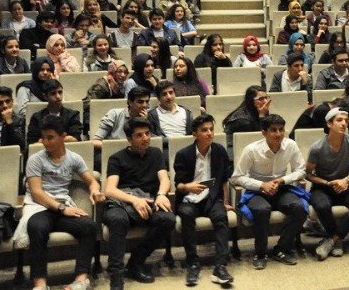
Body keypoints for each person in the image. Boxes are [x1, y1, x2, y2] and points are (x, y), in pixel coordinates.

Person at [21, 115, 103, 290]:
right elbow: (36, 193)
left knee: (89, 226)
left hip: (62, 207)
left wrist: (95, 189)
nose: (45, 142)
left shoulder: (73, 158)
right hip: (41, 208)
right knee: (36, 227)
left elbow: (92, 180)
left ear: (63, 136)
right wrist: (61, 208)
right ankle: (40, 283)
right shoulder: (35, 159)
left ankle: (81, 279)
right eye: (43, 137)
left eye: (50, 137)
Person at [102, 117, 177, 289]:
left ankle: (135, 262)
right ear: (129, 139)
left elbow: (165, 179)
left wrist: (161, 194)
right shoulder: (117, 158)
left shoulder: (156, 153)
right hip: (122, 203)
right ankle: (116, 276)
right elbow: (110, 190)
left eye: (148, 133)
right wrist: (134, 200)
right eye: (139, 135)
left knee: (168, 219)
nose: (145, 138)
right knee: (116, 220)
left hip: (149, 201)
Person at [231, 114, 308, 269]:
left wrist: (282, 180)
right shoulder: (251, 150)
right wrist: (261, 185)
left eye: (281, 130)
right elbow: (236, 177)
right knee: (261, 209)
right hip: (257, 191)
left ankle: (282, 248)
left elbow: (301, 170)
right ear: (264, 132)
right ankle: (260, 253)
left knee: (298, 207)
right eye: (273, 130)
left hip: (281, 188)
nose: (278, 134)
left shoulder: (291, 145)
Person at [173, 114, 234, 286]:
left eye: (211, 129)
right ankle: (193, 263)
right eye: (204, 130)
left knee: (221, 217)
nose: (209, 133)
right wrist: (188, 187)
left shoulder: (220, 151)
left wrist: (226, 201)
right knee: (186, 215)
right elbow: (178, 186)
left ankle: (220, 266)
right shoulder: (183, 154)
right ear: (195, 134)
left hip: (211, 197)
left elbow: (223, 180)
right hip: (189, 197)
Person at [306, 108, 349, 260]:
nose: (344, 124)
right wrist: (327, 182)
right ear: (329, 124)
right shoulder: (317, 147)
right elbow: (307, 174)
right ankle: (337, 239)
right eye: (339, 120)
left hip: (343, 186)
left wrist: (346, 180)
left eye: (346, 121)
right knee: (322, 205)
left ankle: (333, 239)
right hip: (322, 187)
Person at [25, 78, 81, 145]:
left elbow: (75, 139)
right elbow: (32, 143)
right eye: (53, 93)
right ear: (45, 96)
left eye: (60, 92)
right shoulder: (36, 117)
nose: (58, 96)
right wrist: (64, 138)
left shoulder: (73, 115)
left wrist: (45, 140)